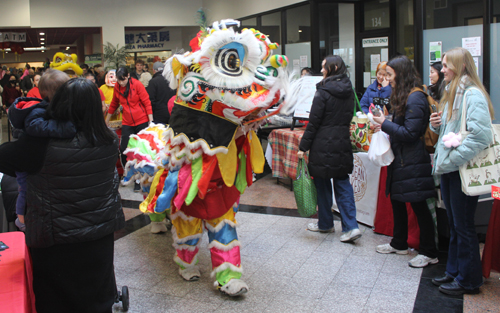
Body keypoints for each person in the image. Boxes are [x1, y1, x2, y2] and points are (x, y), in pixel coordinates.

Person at [0, 77, 125, 312]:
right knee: (97, 300)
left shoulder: (40, 145)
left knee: (56, 301)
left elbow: (5, 156)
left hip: (55, 240)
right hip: (98, 238)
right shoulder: (109, 141)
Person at [429, 47, 494, 295]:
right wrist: (436, 126)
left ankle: (469, 280)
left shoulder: (472, 94)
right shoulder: (454, 92)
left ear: (461, 66)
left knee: (464, 226)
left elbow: (481, 136)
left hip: (460, 170)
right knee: (456, 225)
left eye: (446, 65)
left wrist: (454, 158)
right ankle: (454, 272)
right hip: (451, 169)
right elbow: (449, 132)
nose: (441, 70)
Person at [372, 55, 438, 268]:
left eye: (390, 75)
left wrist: (384, 124)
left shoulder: (415, 97)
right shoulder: (403, 95)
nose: (387, 79)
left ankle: (429, 252)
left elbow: (410, 133)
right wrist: (384, 123)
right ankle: (399, 243)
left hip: (412, 159)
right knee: (398, 201)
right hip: (401, 158)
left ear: (401, 74)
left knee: (418, 204)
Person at [297, 55, 362, 243]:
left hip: (322, 144)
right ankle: (351, 227)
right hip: (342, 143)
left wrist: (303, 147)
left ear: (332, 68)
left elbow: (314, 123)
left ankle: (325, 224)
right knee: (343, 183)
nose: (322, 69)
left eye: (324, 66)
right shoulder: (349, 91)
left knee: (323, 185)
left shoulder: (323, 92)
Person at [8, 69, 75, 232]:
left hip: (36, 160)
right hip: (28, 162)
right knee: (24, 190)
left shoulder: (49, 108)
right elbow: (35, 126)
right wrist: (66, 127)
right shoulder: (39, 111)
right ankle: (21, 220)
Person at [105, 67, 153, 192]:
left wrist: (150, 121)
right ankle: (129, 174)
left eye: (123, 80)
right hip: (127, 122)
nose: (121, 83)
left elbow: (147, 102)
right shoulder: (117, 87)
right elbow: (114, 103)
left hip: (141, 120)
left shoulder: (137, 85)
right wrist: (107, 119)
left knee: (139, 151)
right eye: (119, 80)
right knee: (124, 149)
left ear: (128, 76)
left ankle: (139, 179)